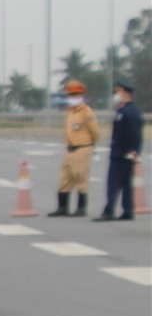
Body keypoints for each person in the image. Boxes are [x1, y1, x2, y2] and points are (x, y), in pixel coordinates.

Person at [49, 79, 101, 216]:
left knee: (80, 178)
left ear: (82, 96)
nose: (74, 98)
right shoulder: (71, 111)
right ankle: (62, 208)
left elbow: (95, 132)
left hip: (82, 148)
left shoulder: (86, 112)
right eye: (72, 95)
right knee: (65, 178)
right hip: (70, 149)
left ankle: (81, 208)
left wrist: (91, 144)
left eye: (77, 95)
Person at [95, 82, 141, 222]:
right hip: (124, 152)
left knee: (113, 183)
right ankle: (128, 210)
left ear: (125, 93)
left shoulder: (128, 112)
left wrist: (132, 152)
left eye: (118, 92)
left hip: (121, 154)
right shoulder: (125, 110)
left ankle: (109, 211)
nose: (116, 95)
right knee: (126, 183)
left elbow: (133, 134)